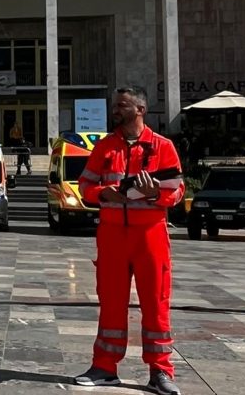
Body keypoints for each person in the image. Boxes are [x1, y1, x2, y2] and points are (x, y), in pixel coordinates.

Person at [75, 87, 184, 394]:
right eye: (115, 105)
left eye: (121, 105)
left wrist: (155, 193)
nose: (115, 110)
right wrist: (103, 193)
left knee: (156, 303)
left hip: (150, 236)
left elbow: (177, 191)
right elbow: (85, 185)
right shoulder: (105, 147)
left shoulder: (162, 146)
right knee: (111, 302)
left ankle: (161, 371)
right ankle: (104, 367)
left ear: (140, 109)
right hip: (112, 236)